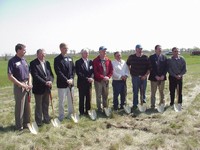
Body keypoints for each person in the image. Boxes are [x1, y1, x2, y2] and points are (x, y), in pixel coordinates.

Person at [7, 43, 32, 131]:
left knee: (27, 106)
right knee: (19, 107)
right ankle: (19, 126)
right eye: (24, 50)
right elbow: (10, 76)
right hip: (19, 86)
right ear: (18, 50)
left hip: (27, 86)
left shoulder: (24, 60)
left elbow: (29, 73)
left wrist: (29, 83)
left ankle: (26, 123)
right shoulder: (12, 61)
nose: (25, 51)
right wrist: (21, 85)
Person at [30, 49, 54, 126]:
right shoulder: (33, 63)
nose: (43, 55)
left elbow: (51, 74)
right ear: (37, 54)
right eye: (41, 54)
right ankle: (38, 121)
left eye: (44, 54)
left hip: (47, 88)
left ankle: (46, 119)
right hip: (38, 88)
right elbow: (35, 75)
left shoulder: (47, 63)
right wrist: (45, 82)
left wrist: (51, 81)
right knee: (39, 105)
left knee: (46, 104)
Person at [54, 43, 75, 121]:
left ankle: (70, 114)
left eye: (67, 48)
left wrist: (72, 79)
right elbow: (58, 72)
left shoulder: (70, 58)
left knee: (70, 100)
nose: (66, 50)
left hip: (70, 84)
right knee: (62, 101)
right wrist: (66, 80)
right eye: (65, 48)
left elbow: (73, 69)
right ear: (61, 49)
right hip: (62, 84)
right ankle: (61, 116)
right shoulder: (57, 59)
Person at [126, 44, 151, 109]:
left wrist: (145, 76)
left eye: (141, 49)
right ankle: (135, 104)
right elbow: (128, 64)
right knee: (135, 91)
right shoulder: (131, 57)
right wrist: (131, 72)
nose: (140, 50)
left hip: (144, 77)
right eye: (139, 49)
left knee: (143, 91)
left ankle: (143, 104)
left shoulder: (145, 57)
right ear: (136, 49)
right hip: (135, 77)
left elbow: (149, 68)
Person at [93, 46, 113, 112]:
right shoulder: (95, 60)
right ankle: (99, 108)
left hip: (106, 81)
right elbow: (95, 72)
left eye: (105, 51)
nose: (105, 52)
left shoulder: (108, 60)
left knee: (105, 95)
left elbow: (111, 70)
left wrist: (108, 77)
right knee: (98, 95)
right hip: (98, 81)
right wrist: (103, 77)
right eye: (103, 51)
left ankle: (105, 107)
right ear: (100, 52)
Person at [75, 48, 94, 115]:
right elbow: (79, 73)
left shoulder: (90, 62)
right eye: (85, 53)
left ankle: (88, 111)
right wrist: (87, 78)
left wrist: (91, 78)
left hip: (89, 84)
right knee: (82, 98)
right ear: (82, 54)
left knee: (89, 98)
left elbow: (92, 71)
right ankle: (82, 112)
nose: (87, 54)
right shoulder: (78, 62)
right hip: (82, 83)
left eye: (87, 53)